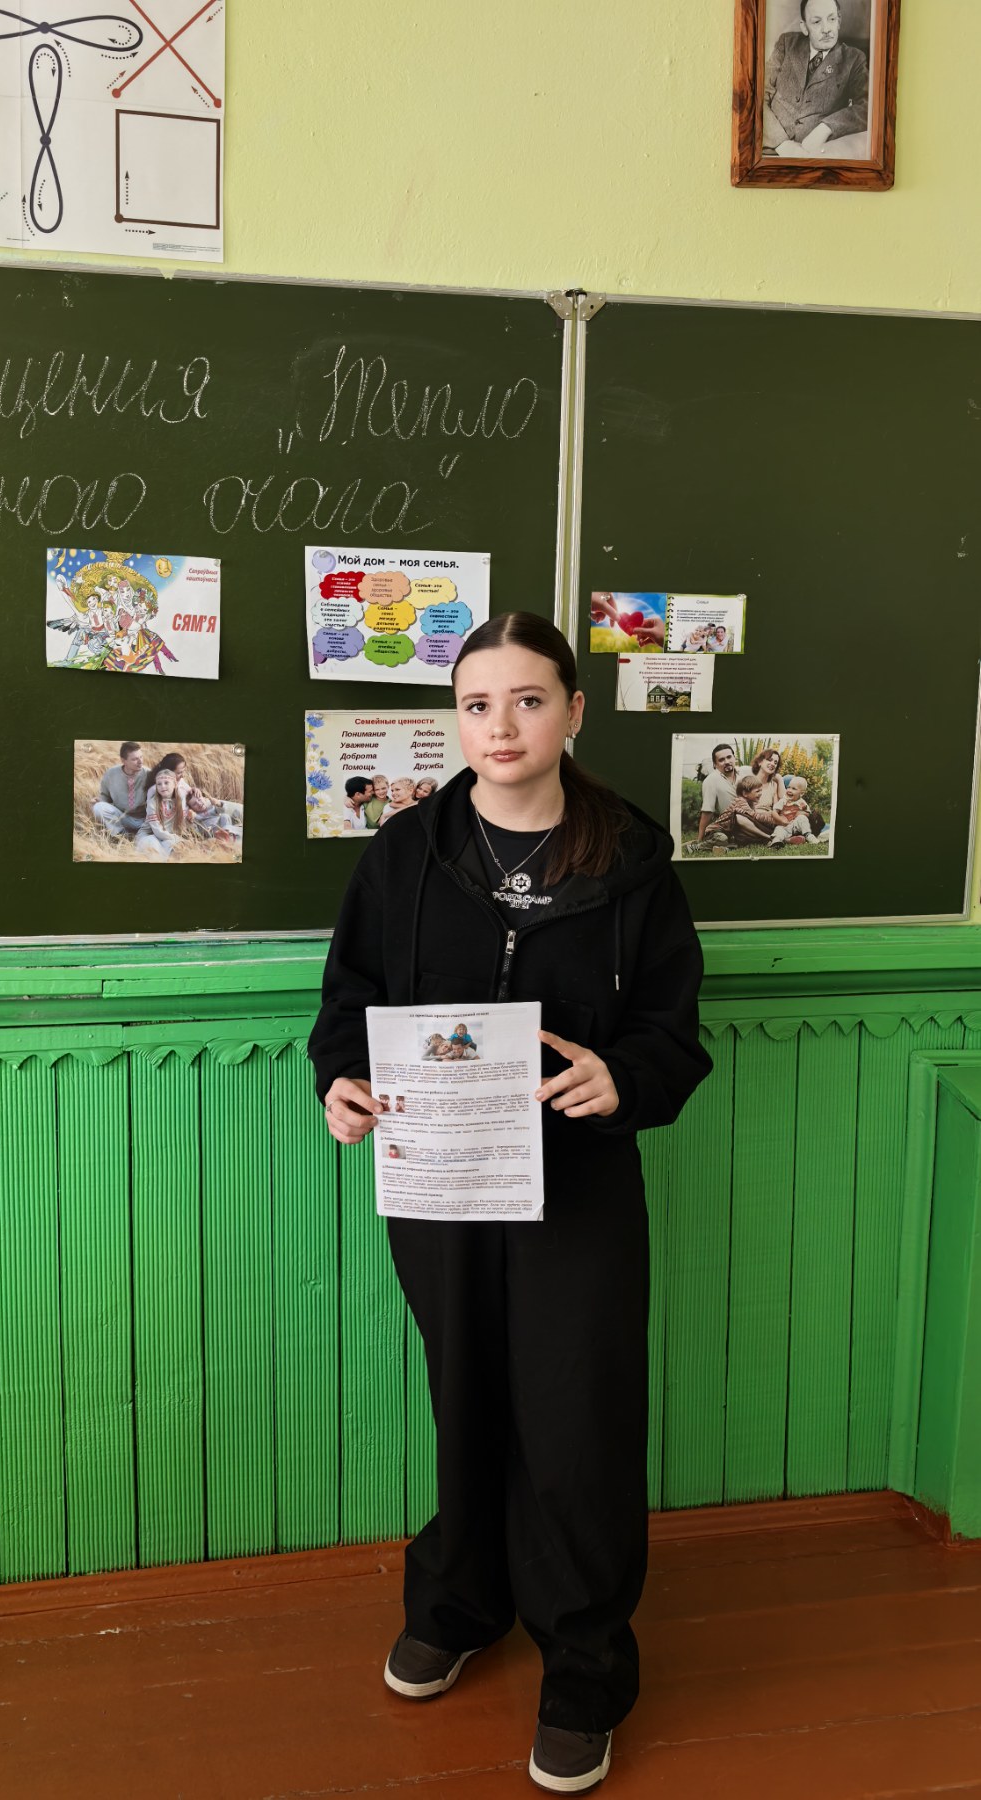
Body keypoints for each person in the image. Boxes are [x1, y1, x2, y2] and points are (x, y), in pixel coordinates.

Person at [309, 610, 710, 1794]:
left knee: (577, 1419)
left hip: (577, 1189)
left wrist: (621, 1078)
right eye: (478, 704)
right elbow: (351, 1001)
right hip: (439, 1182)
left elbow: (673, 1032)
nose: (502, 726)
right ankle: (460, 1603)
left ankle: (584, 1667)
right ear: (457, 719)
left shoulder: (632, 860)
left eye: (529, 700)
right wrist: (342, 1080)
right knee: (467, 1393)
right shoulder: (406, 852)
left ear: (573, 712)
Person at [764, 0, 868, 156]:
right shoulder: (786, 44)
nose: (826, 29)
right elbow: (758, 94)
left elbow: (868, 106)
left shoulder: (854, 59)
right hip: (765, 148)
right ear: (804, 27)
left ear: (839, 21)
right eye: (817, 22)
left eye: (831, 19)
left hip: (812, 154)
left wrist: (826, 127)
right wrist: (781, 143)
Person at [94, 741, 150, 838]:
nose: (140, 761)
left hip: (144, 821)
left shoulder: (149, 774)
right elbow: (105, 796)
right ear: (123, 761)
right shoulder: (111, 774)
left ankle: (140, 834)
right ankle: (122, 836)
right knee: (98, 807)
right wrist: (99, 801)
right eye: (135, 759)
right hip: (122, 817)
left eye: (141, 757)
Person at [135, 766, 186, 859]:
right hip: (150, 835)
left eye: (166, 783)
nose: (162, 786)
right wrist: (175, 838)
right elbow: (157, 830)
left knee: (178, 850)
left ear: (175, 784)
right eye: (159, 784)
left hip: (168, 836)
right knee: (153, 849)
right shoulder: (152, 803)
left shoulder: (180, 799)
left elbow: (183, 823)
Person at [695, 742, 740, 842]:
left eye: (729, 757)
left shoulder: (744, 774)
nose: (727, 762)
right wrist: (700, 838)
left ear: (735, 758)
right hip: (728, 825)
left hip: (749, 820)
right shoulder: (711, 781)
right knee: (722, 838)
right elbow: (707, 811)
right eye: (721, 760)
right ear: (715, 765)